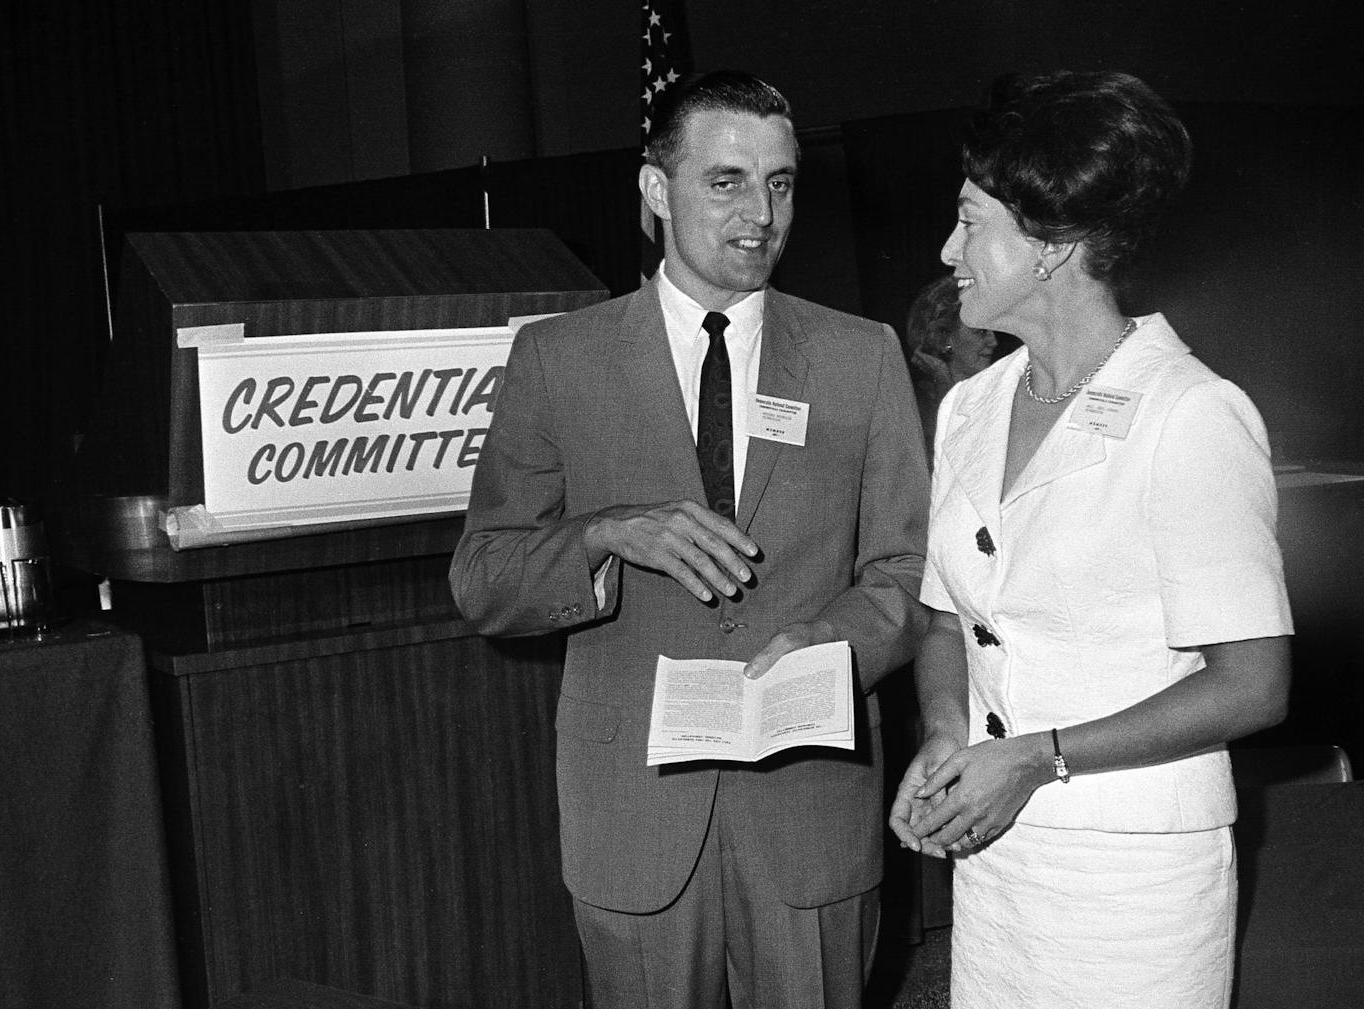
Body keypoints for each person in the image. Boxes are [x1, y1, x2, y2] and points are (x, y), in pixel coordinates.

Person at [450, 70, 930, 1009]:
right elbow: (483, 576)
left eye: (781, 183)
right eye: (727, 181)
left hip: (809, 807)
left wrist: (830, 644)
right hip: (633, 815)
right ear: (656, 191)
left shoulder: (860, 355)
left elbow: (908, 570)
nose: (760, 213)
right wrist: (605, 533)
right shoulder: (558, 359)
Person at [888, 70, 1293, 1008]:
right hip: (996, 863)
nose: (948, 249)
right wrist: (948, 733)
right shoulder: (972, 409)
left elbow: (1254, 682)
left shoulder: (1190, 413)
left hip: (1133, 884)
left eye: (970, 221)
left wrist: (1038, 755)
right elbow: (947, 622)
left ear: (1051, 245)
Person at [904, 274, 1001, 456]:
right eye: (980, 332)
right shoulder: (914, 405)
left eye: (994, 330)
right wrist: (942, 380)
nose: (993, 342)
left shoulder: (998, 390)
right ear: (943, 337)